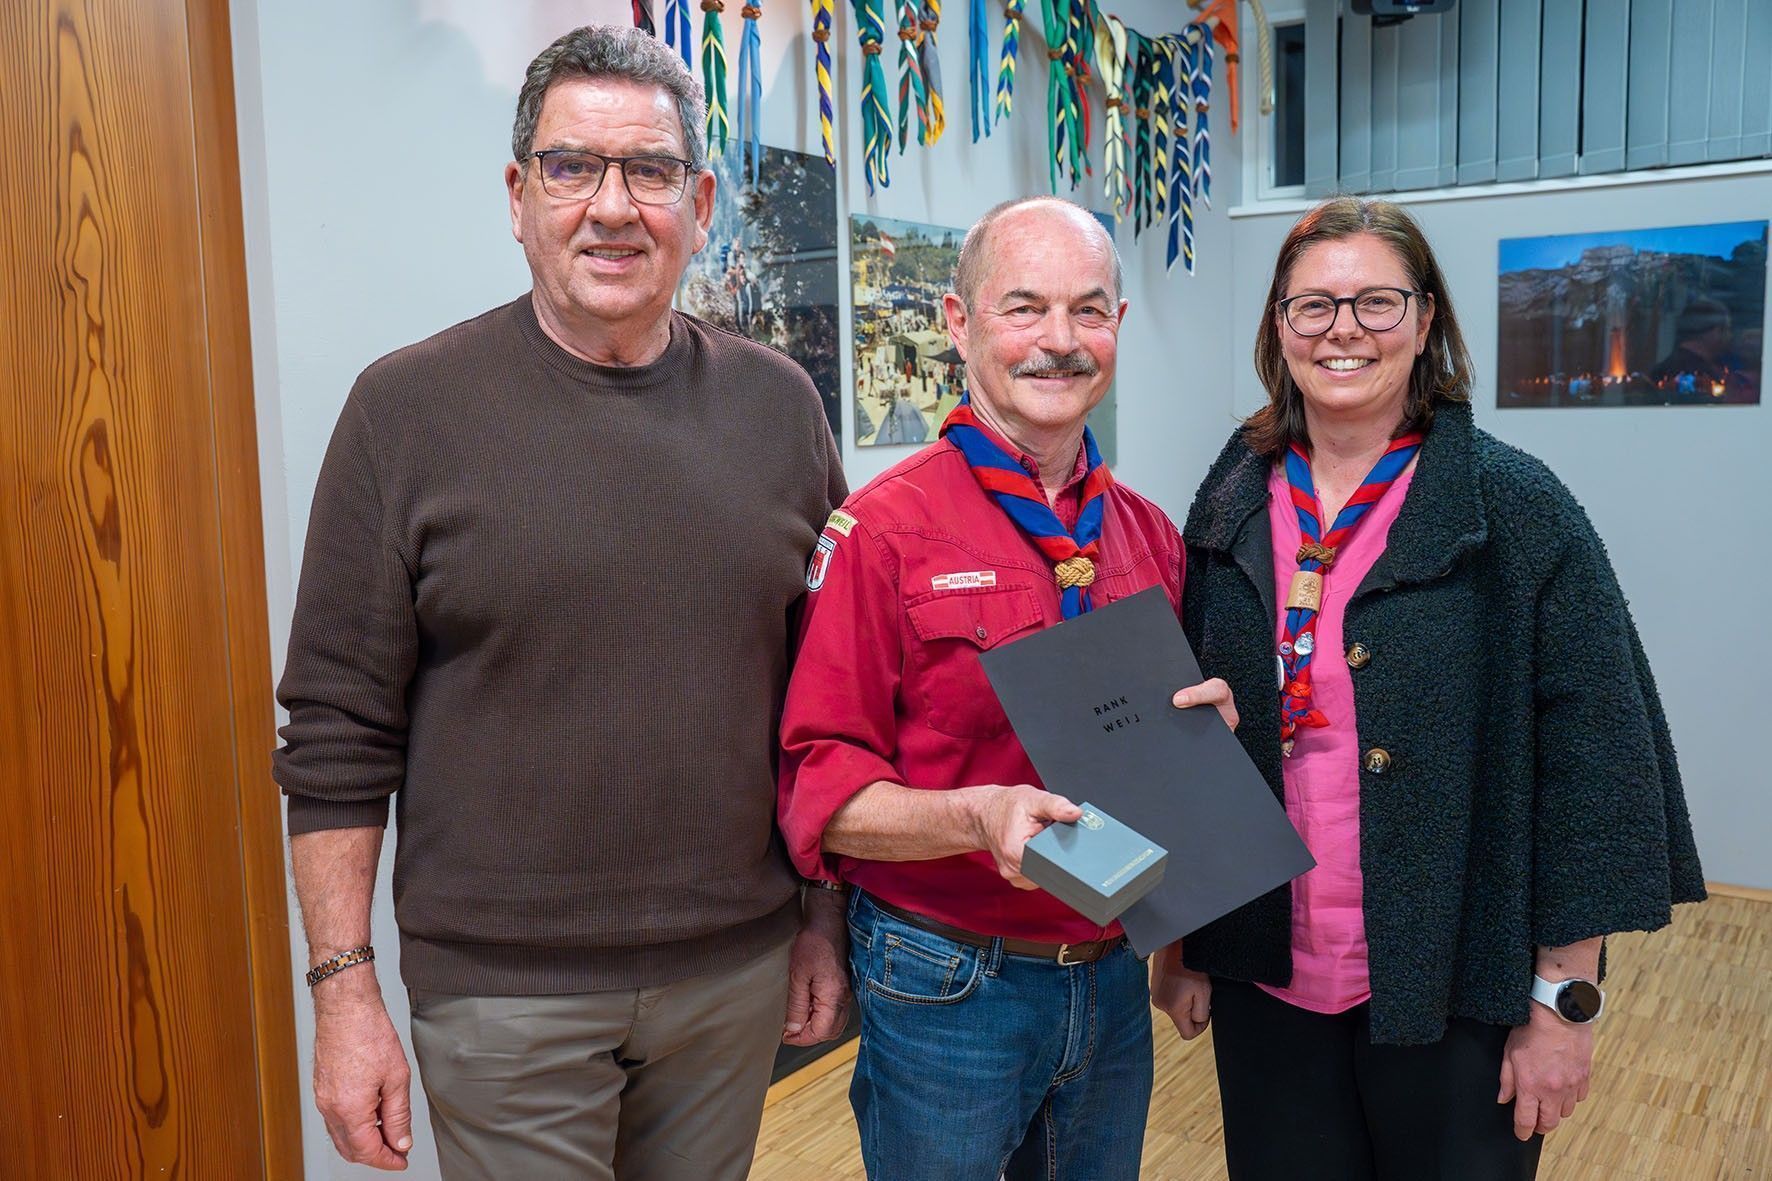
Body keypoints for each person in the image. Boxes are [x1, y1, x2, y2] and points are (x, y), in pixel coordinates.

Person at [273, 26, 849, 1181]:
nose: (611, 207)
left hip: (730, 976)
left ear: (697, 199)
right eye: (571, 166)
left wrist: (818, 920)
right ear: (518, 194)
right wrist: (344, 994)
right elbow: (335, 731)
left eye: (647, 171)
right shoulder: (403, 411)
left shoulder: (779, 408)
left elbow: (820, 699)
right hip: (501, 998)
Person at [1166, 196, 1706, 1180]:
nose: (1342, 331)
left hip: (1457, 989)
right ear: (1277, 329)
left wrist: (1562, 1002)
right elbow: (1195, 727)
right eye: (1311, 307)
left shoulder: (1510, 503)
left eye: (1375, 302)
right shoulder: (1231, 494)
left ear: (1423, 323)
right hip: (1271, 982)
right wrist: (1191, 937)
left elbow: (1593, 777)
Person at [777, 196, 1237, 1181]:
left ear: (1115, 325)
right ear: (957, 323)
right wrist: (975, 814)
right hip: (947, 982)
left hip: (1109, 979)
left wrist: (1205, 753)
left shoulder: (1149, 537)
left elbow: (1162, 769)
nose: (1058, 342)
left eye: (1088, 310)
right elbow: (822, 788)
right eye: (1023, 307)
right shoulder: (881, 533)